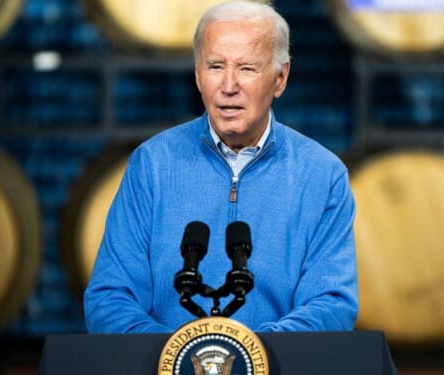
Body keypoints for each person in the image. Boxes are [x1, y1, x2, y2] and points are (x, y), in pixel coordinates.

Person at [83, 0, 358, 333]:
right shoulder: (152, 164)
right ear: (198, 76)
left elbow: (331, 304)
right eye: (215, 66)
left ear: (280, 78)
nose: (229, 86)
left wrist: (244, 357)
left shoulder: (322, 174)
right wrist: (186, 358)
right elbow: (110, 298)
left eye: (247, 68)